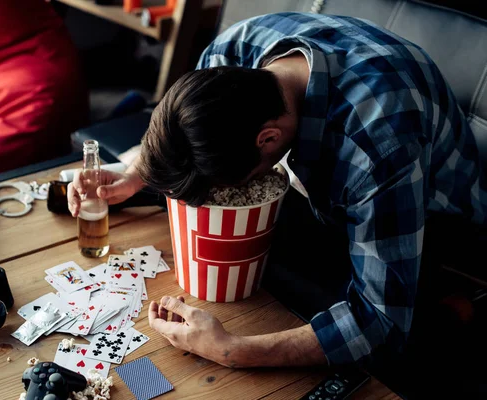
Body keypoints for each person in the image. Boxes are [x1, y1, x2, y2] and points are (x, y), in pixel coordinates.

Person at [67, 12, 486, 372]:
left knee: (389, 347)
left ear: (268, 139)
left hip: (430, 221)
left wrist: (232, 351)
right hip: (320, 192)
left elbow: (380, 319)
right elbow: (184, 130)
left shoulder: (377, 144)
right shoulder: (231, 51)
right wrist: (135, 176)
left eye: (224, 188)